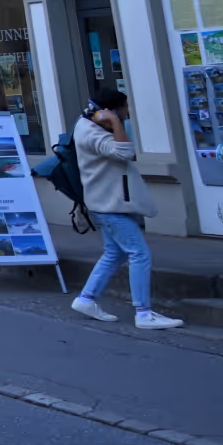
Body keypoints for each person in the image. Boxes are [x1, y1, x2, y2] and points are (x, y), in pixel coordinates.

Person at [71, 85, 183, 330]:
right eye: (125, 108)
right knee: (139, 253)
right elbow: (125, 152)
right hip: (109, 205)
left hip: (107, 202)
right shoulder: (92, 133)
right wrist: (115, 122)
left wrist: (111, 120)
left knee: (115, 253)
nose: (128, 113)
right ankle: (143, 313)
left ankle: (86, 299)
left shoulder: (86, 125)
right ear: (111, 109)